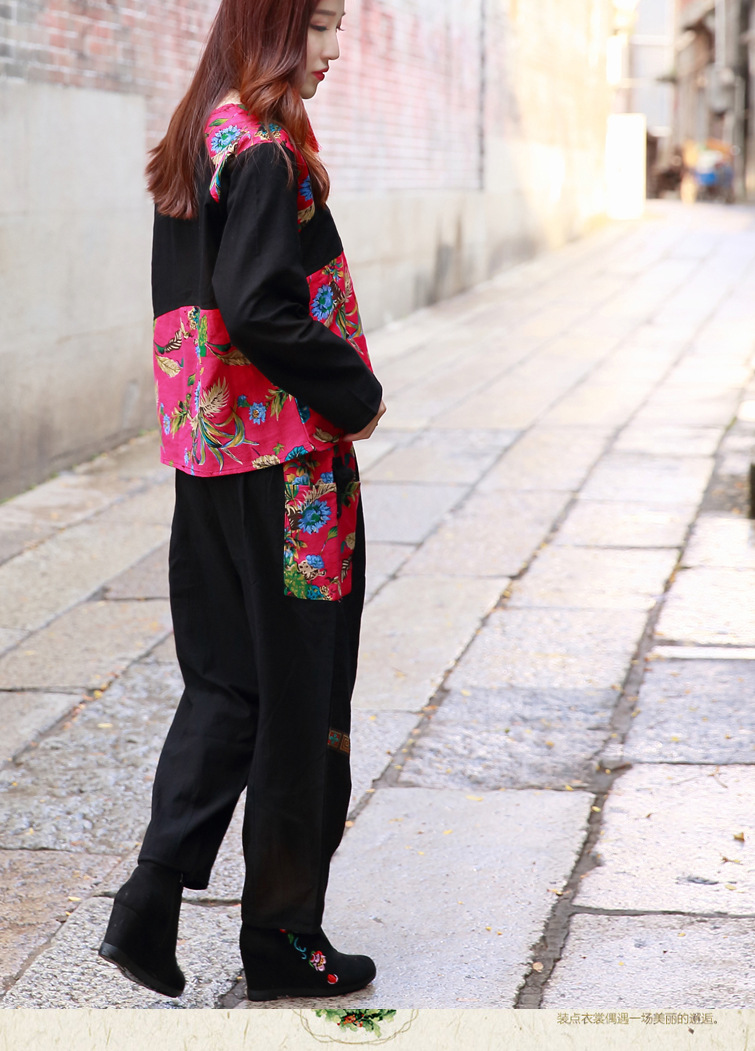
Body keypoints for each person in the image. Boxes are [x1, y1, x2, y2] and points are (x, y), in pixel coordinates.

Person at [98, 0, 385, 1002]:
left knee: (225, 683)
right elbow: (261, 304)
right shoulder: (260, 153)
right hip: (287, 473)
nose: (333, 50)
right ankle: (283, 938)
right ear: (269, 28)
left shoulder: (203, 136)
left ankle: (147, 899)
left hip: (212, 465)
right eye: (319, 26)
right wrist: (354, 391)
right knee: (303, 699)